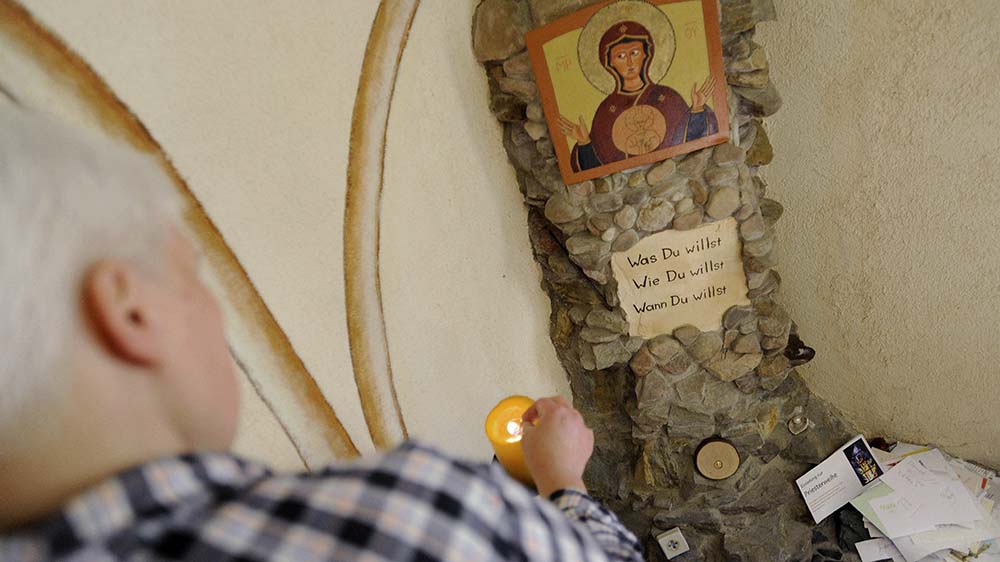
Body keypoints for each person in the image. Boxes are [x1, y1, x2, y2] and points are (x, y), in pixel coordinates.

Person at [0, 107, 644, 561]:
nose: (216, 316)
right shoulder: (411, 517)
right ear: (133, 311)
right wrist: (563, 479)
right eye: (192, 276)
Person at [559, 20, 718, 172]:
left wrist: (697, 110)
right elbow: (599, 170)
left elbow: (691, 148)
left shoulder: (668, 97)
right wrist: (585, 143)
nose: (629, 62)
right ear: (610, 62)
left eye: (634, 53)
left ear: (645, 54)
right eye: (620, 56)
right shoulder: (606, 111)